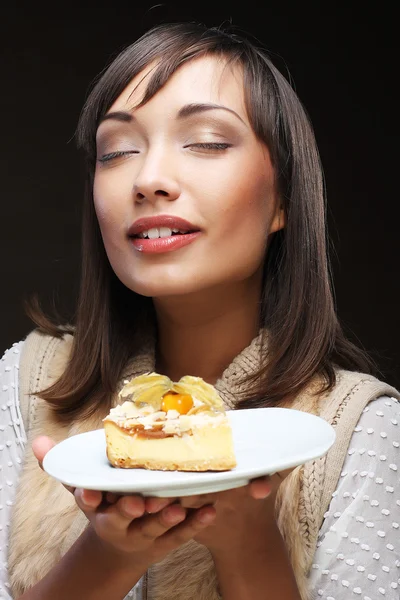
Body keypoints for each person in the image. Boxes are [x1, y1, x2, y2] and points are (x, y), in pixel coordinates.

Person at [0, 21, 399, 600]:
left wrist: (247, 543)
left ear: (283, 197)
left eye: (208, 141)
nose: (150, 179)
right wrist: (108, 556)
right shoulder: (26, 382)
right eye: (117, 151)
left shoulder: (358, 426)